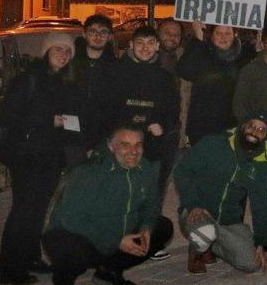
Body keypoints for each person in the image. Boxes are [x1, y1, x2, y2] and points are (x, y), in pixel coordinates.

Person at [42, 123, 174, 285]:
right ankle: (64, 283)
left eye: (138, 145)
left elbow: (151, 206)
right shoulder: (88, 172)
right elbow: (71, 220)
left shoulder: (145, 169)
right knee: (70, 248)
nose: (133, 151)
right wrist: (117, 240)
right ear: (111, 147)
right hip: (77, 234)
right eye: (125, 145)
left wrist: (146, 228)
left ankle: (109, 271)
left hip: (117, 233)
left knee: (162, 228)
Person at [0, 33, 81, 285]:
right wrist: (49, 120)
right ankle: (10, 268)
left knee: (38, 209)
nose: (63, 55)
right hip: (27, 155)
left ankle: (30, 257)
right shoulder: (28, 79)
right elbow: (10, 116)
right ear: (46, 51)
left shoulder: (62, 80)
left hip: (50, 156)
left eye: (68, 51)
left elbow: (67, 117)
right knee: (23, 210)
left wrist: (74, 126)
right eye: (58, 49)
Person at [174, 113, 267, 274]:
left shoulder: (262, 164)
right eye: (251, 126)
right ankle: (197, 251)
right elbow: (182, 171)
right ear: (243, 126)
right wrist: (193, 204)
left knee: (251, 263)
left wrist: (260, 242)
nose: (254, 132)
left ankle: (212, 245)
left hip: (229, 221)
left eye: (261, 130)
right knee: (204, 232)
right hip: (199, 211)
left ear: (266, 136)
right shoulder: (214, 143)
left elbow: (261, 204)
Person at [102, 25, 179, 213]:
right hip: (122, 147)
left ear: (157, 45)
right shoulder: (116, 73)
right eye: (140, 43)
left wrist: (163, 126)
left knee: (150, 196)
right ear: (131, 44)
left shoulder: (165, 77)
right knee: (120, 195)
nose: (145, 48)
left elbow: (173, 109)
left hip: (153, 147)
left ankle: (147, 228)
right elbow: (107, 108)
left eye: (150, 43)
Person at [178, 20, 254, 146]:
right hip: (202, 126)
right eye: (219, 33)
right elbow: (184, 71)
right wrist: (197, 38)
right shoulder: (202, 51)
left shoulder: (243, 55)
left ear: (235, 35)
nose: (223, 37)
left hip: (232, 126)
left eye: (228, 33)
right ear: (212, 35)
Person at [70, 14, 117, 161]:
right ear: (84, 34)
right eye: (93, 31)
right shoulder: (70, 63)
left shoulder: (115, 68)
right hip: (73, 137)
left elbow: (115, 106)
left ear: (110, 37)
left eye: (103, 32)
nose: (98, 36)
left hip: (103, 138)